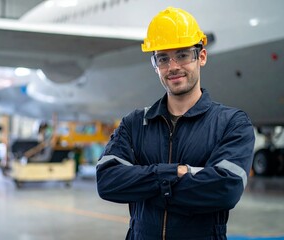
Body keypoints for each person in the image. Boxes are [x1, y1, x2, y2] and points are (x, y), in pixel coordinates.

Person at [96, 7, 255, 240]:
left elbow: (225, 190)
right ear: (155, 64)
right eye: (163, 58)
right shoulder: (135, 124)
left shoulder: (231, 123)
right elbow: (107, 182)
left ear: (201, 56)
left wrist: (144, 183)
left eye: (182, 55)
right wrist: (175, 173)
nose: (172, 67)